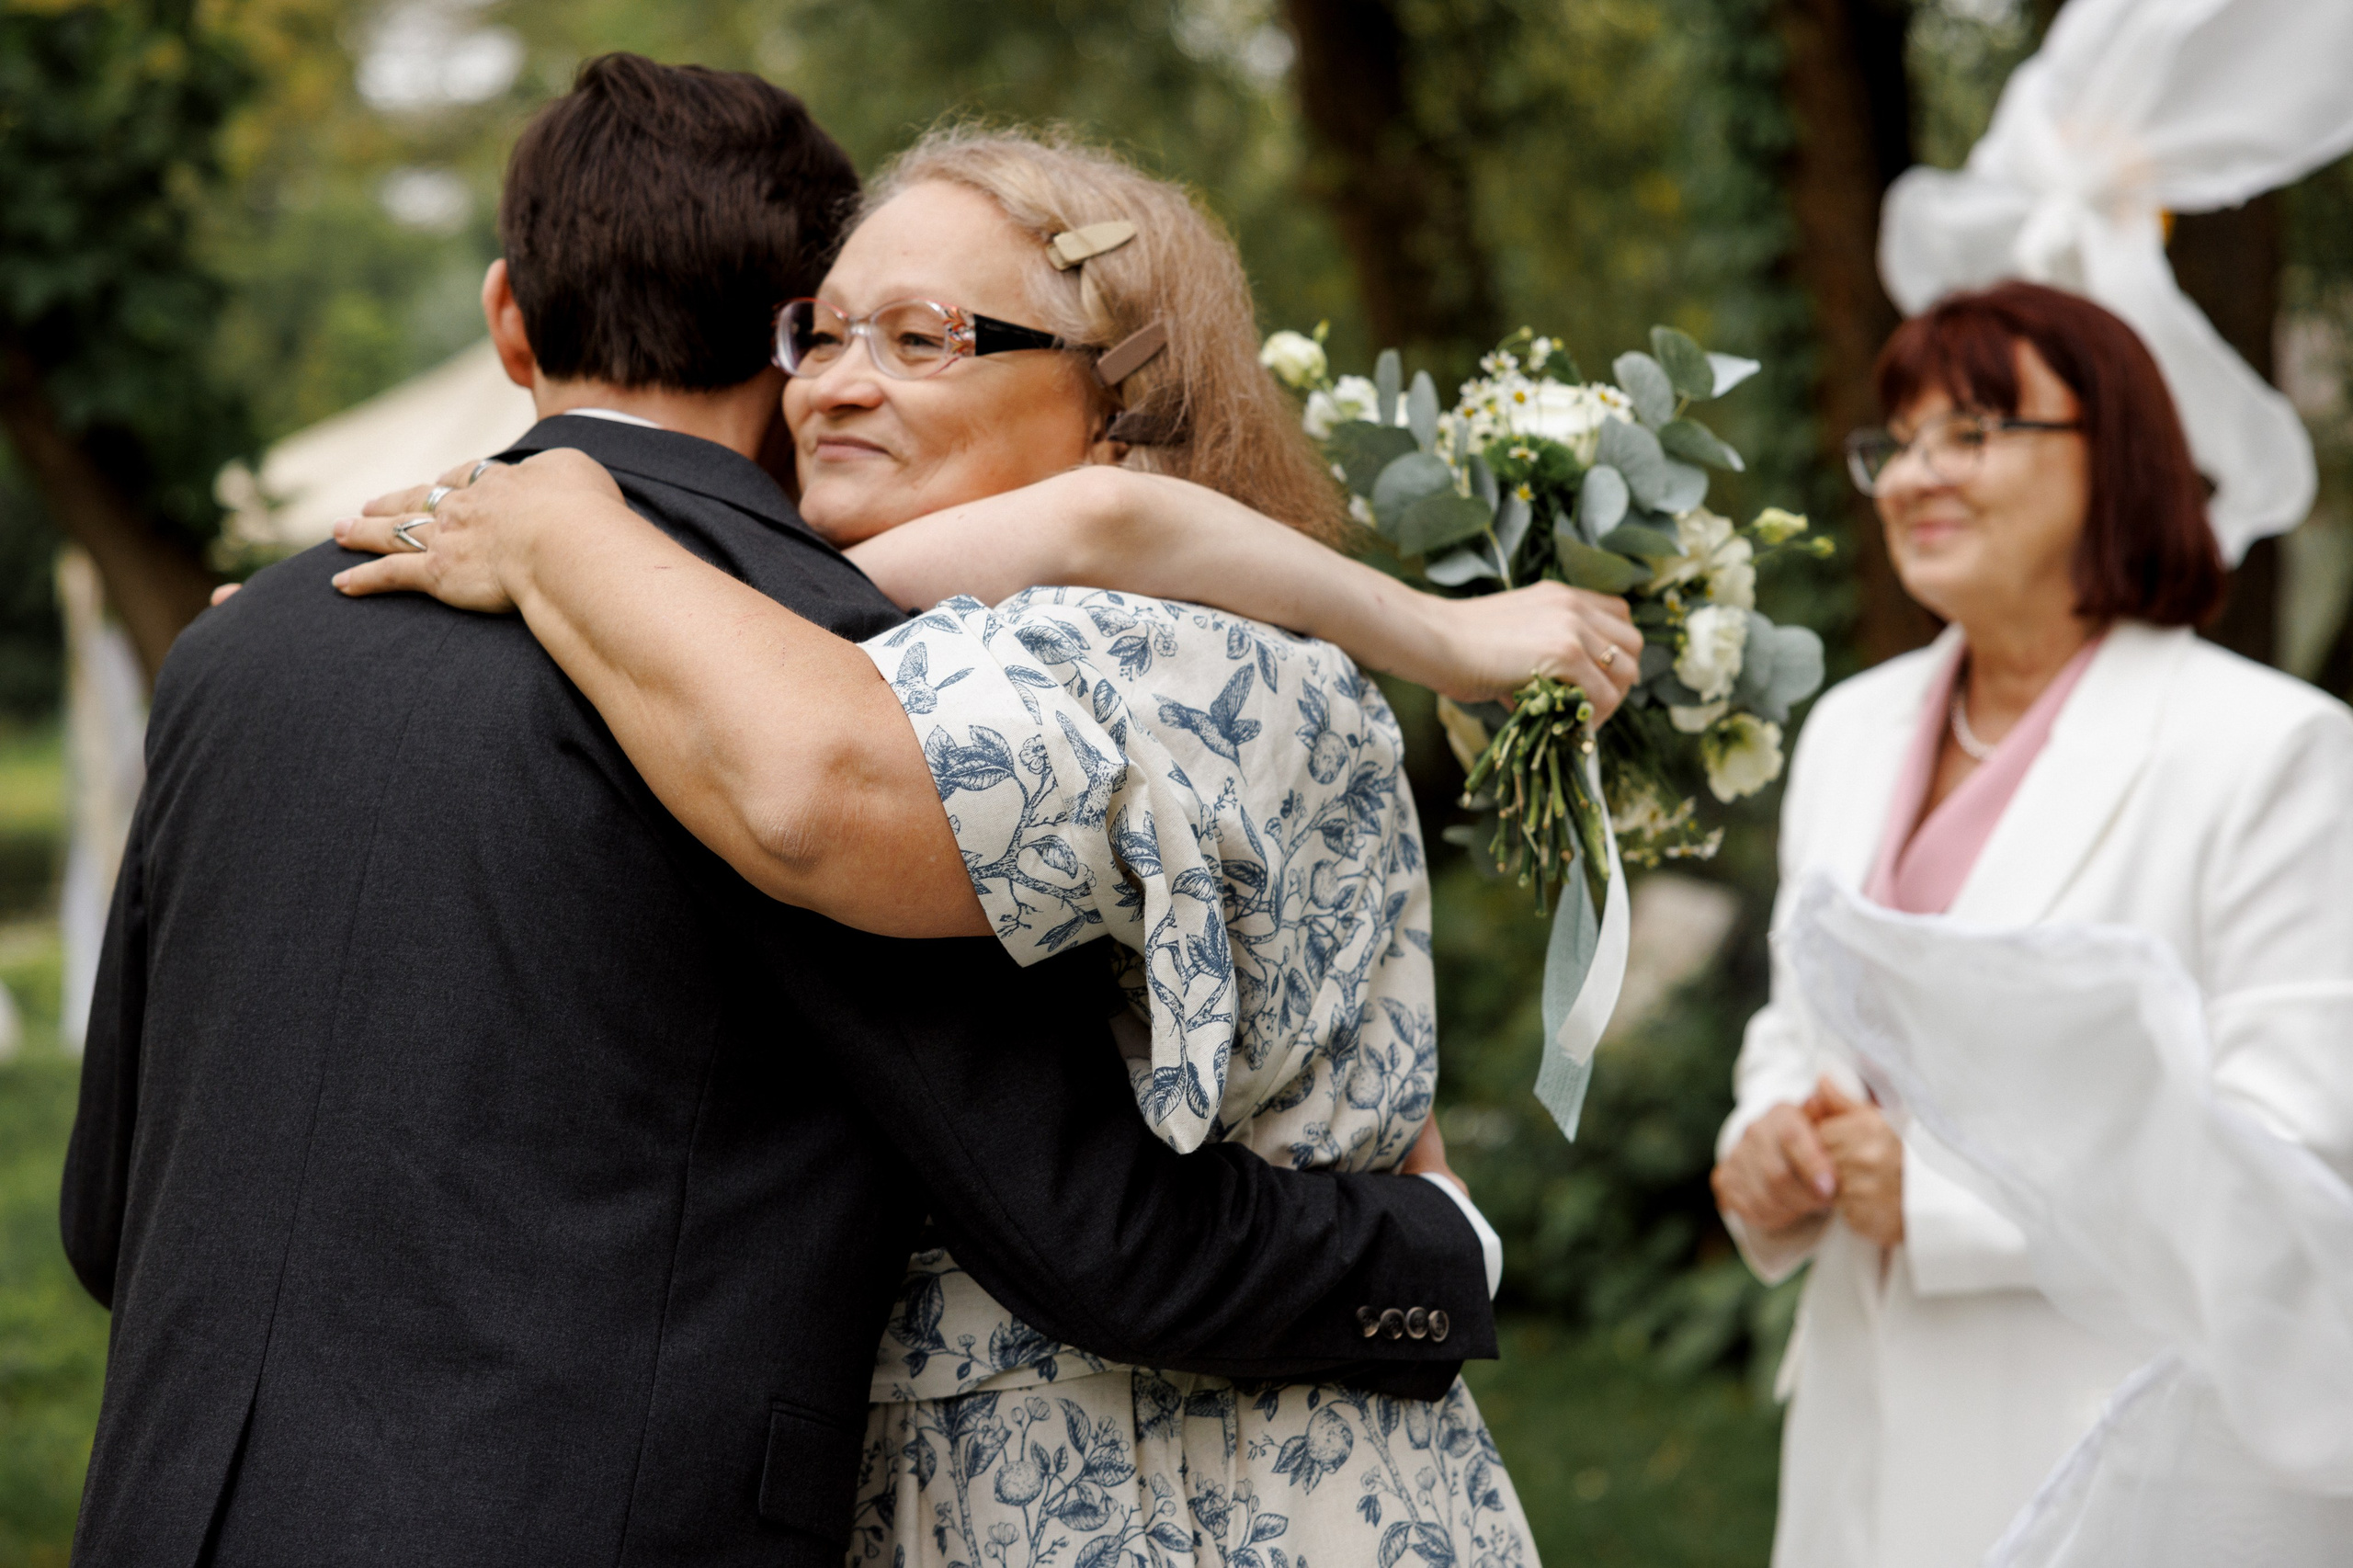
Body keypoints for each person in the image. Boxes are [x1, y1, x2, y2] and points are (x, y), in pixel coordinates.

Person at [60, 60, 1535, 1568]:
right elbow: (1089, 1229)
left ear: (508, 318)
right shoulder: (786, 677)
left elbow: (110, 1216)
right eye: (834, 333)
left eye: (917, 337)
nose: (849, 375)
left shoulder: (248, 646)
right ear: (784, 345)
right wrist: (1444, 1246)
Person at [1707, 280, 2353, 1568]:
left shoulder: (2272, 751)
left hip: (2121, 1452)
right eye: (1898, 440)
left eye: (1976, 430)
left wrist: (1940, 1196)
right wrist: (1767, 1144)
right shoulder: (1850, 729)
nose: (1915, 474)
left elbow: (2297, 1151)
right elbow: (1799, 1023)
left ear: (2114, 456)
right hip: (1861, 1449)